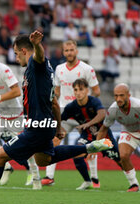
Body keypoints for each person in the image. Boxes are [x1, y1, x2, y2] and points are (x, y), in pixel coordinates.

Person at [0, 31, 113, 204]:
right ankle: (87, 147)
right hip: (32, 121)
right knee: (44, 159)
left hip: (30, 122)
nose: (16, 58)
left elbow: (36, 59)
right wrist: (57, 127)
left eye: (17, 54)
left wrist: (38, 45)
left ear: (25, 51)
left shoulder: (33, 63)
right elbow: (54, 102)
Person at [0, 44, 42, 188]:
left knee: (26, 147)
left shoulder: (4, 69)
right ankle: (7, 166)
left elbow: (17, 92)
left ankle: (35, 176)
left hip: (14, 112)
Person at [41, 40, 101, 189]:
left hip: (83, 115)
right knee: (54, 140)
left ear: (76, 51)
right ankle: (49, 176)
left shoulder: (86, 69)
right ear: (63, 52)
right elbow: (57, 91)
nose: (69, 52)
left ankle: (94, 178)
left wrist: (89, 106)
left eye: (71, 50)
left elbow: (97, 91)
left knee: (90, 145)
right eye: (66, 50)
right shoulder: (59, 69)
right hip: (65, 114)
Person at [61, 78, 121, 190]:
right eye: (76, 90)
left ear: (87, 90)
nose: (78, 92)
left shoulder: (94, 101)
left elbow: (102, 114)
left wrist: (88, 124)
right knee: (76, 153)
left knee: (119, 159)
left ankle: (133, 182)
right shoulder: (71, 107)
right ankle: (87, 181)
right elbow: (59, 119)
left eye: (81, 89)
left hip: (103, 134)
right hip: (86, 135)